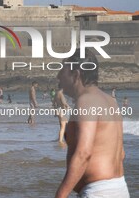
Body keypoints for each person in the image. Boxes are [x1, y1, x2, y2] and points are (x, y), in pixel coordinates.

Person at [55, 49, 129, 198]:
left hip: (99, 191)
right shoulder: (110, 101)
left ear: (76, 75)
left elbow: (84, 153)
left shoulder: (86, 101)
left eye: (63, 71)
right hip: (119, 187)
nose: (58, 77)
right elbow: (121, 154)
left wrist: (61, 195)